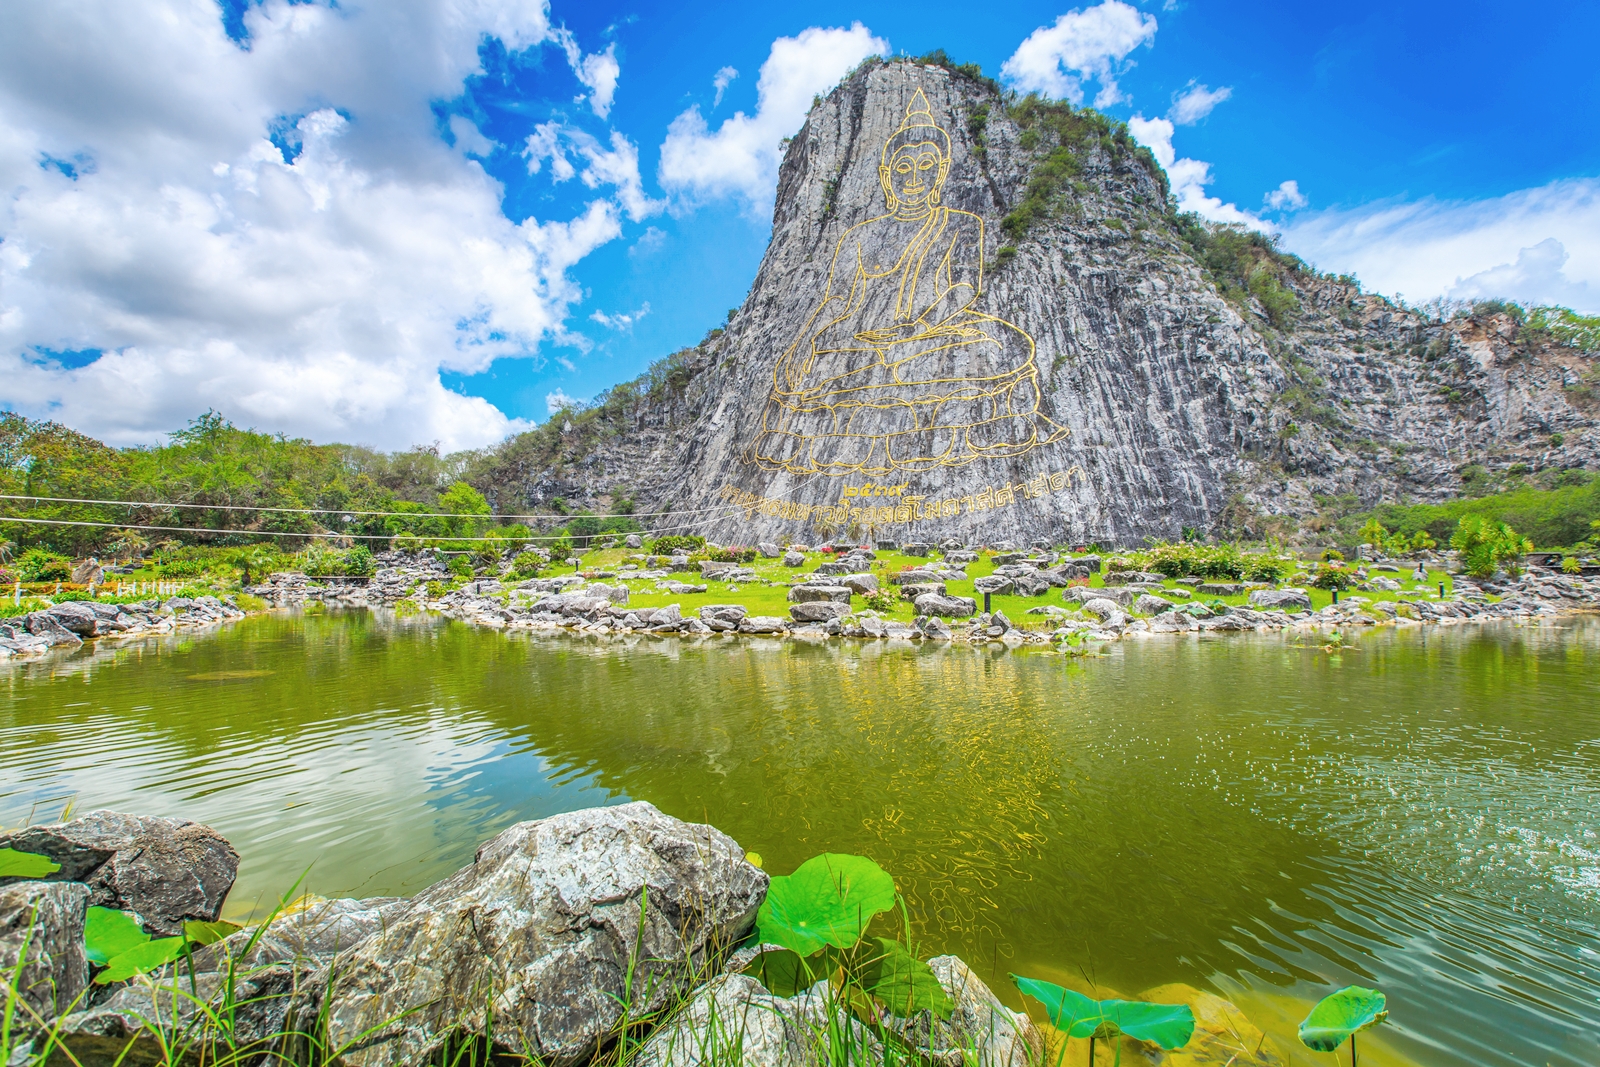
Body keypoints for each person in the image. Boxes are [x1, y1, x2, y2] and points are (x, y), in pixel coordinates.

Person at [749, 89, 1067, 477]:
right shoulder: (861, 236)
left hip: (932, 336)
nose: (913, 177)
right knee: (835, 363)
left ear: (941, 171)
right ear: (886, 175)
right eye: (902, 168)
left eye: (925, 165)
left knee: (998, 343)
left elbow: (964, 288)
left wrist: (920, 327)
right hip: (868, 343)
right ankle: (875, 398)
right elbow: (838, 300)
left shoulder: (962, 224)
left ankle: (906, 399)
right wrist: (802, 345)